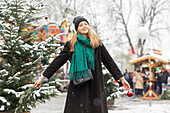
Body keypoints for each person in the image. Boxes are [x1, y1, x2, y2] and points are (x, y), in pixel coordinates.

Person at [33, 16, 130, 113]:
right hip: (79, 84)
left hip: (95, 84)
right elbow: (57, 61)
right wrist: (43, 77)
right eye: (80, 25)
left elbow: (109, 62)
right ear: (77, 29)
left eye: (85, 24)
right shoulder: (71, 45)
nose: (84, 26)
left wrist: (121, 79)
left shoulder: (97, 44)